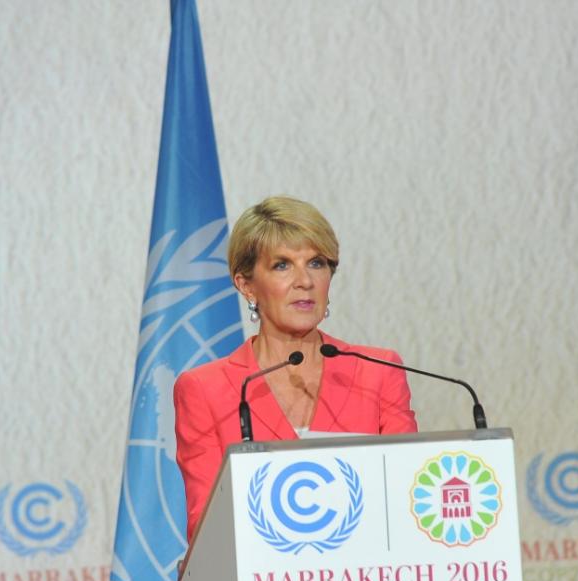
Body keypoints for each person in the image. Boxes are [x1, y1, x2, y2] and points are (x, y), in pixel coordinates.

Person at [173, 195, 418, 541]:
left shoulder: (378, 372)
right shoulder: (204, 389)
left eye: (317, 263)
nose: (304, 280)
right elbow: (206, 527)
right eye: (282, 265)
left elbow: (405, 496)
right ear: (246, 285)